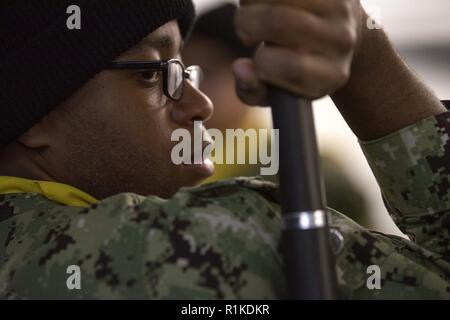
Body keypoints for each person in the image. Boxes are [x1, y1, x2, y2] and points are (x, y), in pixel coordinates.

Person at [0, 0, 449, 299]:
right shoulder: (225, 238)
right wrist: (368, 61)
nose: (201, 104)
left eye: (185, 70)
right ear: (36, 112)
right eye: (153, 73)